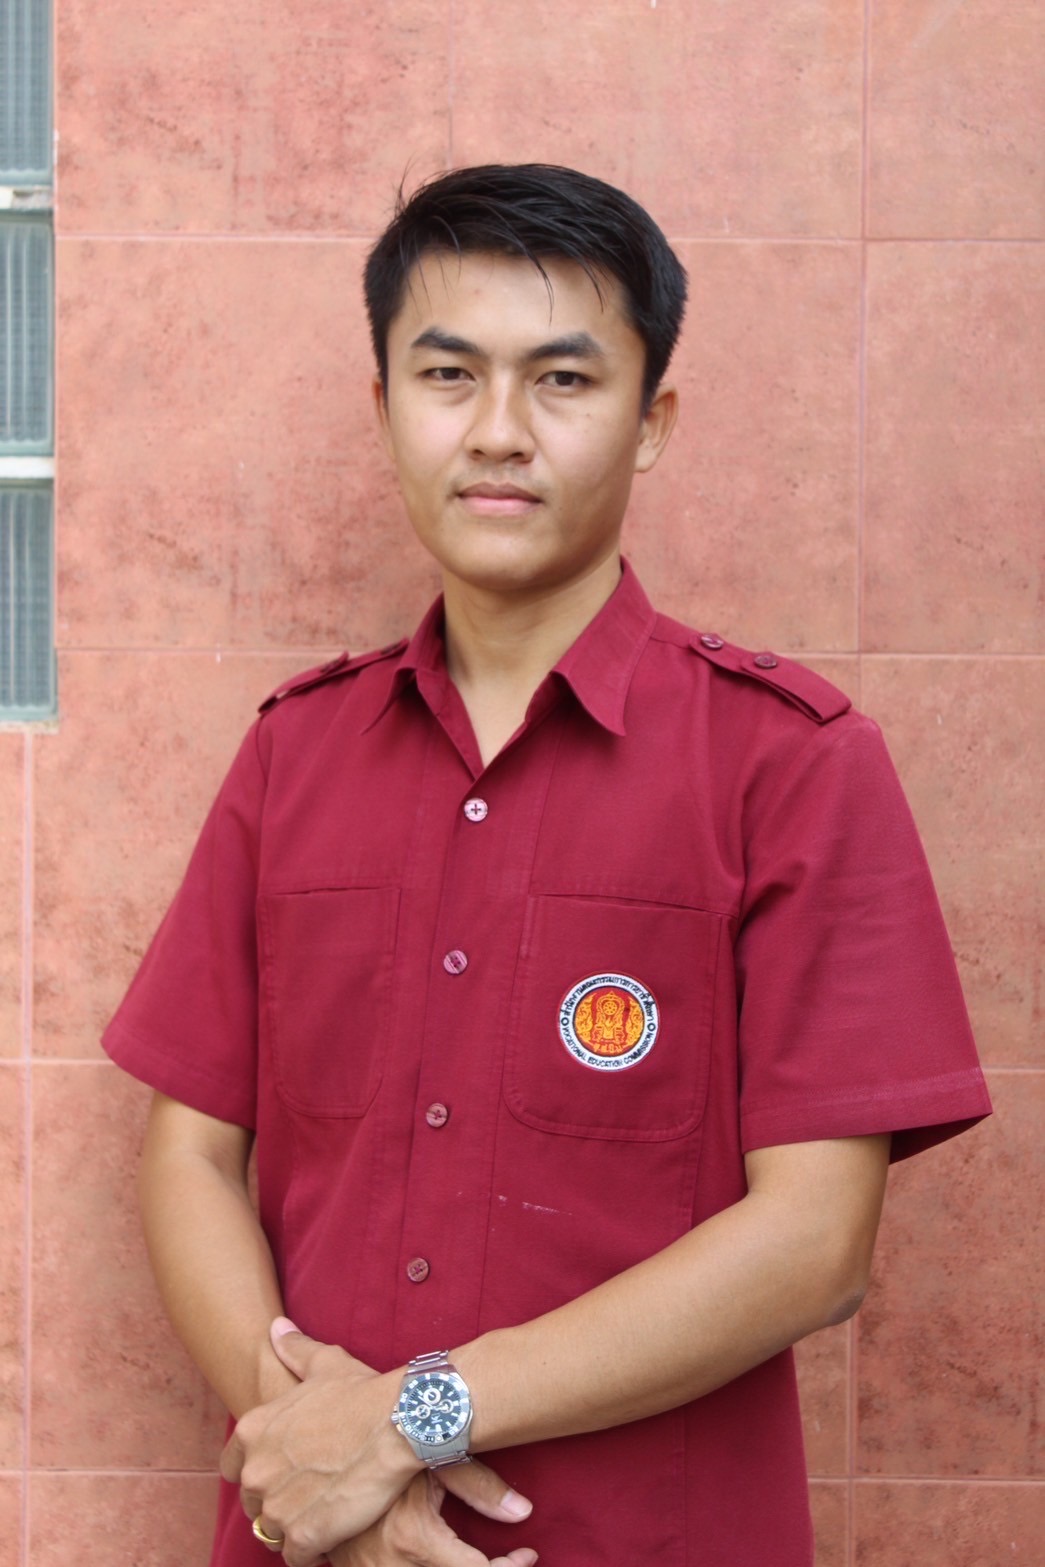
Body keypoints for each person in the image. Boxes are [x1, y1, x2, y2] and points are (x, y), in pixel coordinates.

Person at [103, 164, 991, 1567]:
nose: (499, 431)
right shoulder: (293, 754)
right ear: (384, 407)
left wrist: (404, 1424)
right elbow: (190, 1155)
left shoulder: (790, 764)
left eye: (563, 381)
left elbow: (816, 1243)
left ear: (652, 423)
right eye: (447, 374)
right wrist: (319, 1457)